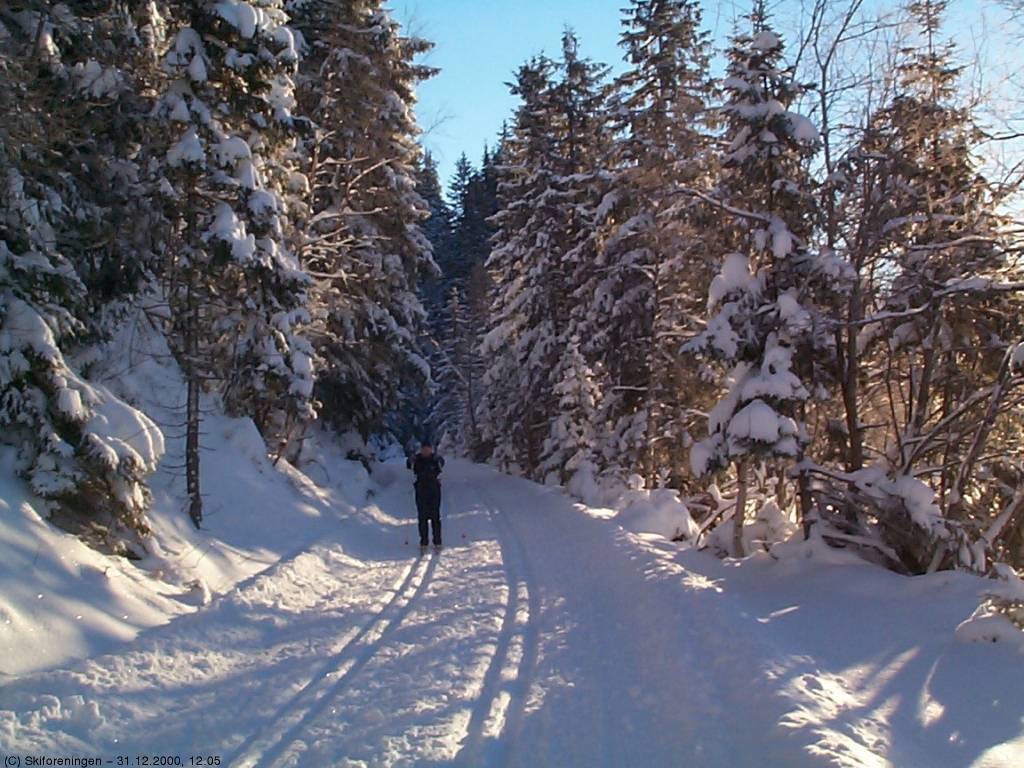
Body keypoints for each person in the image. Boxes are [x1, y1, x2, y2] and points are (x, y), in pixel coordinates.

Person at [407, 441, 444, 550]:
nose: (426, 451)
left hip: (434, 490)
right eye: (424, 449)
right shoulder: (417, 459)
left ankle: (437, 541)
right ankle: (424, 541)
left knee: (435, 516)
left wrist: (439, 460)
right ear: (421, 449)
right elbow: (409, 465)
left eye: (428, 449)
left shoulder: (435, 459)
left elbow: (442, 464)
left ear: (431, 449)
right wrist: (410, 460)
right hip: (421, 490)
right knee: (422, 516)